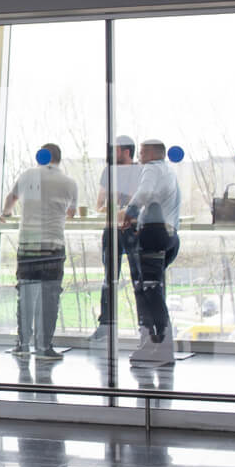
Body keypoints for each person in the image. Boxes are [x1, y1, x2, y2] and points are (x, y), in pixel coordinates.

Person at [1, 143, 78, 360]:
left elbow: (10, 200)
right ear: (59, 159)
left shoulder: (28, 176)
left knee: (25, 295)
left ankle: (22, 344)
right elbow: (71, 212)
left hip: (28, 244)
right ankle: (44, 347)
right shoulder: (69, 183)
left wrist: (6, 214)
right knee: (50, 297)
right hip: (53, 245)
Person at [120, 139, 181, 364]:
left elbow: (144, 191)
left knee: (148, 290)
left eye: (143, 152)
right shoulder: (169, 172)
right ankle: (154, 343)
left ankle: (161, 345)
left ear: (153, 154)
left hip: (153, 234)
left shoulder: (152, 168)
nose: (140, 157)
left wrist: (130, 212)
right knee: (153, 288)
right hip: (169, 234)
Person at [89, 135, 142, 342]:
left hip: (134, 229)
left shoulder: (140, 171)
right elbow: (100, 204)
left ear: (126, 151)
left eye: (116, 150)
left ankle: (144, 327)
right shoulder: (108, 171)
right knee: (109, 278)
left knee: (139, 278)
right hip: (111, 230)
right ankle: (106, 326)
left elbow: (143, 200)